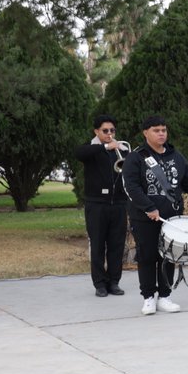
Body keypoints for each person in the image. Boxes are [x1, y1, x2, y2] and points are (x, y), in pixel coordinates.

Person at [121, 116, 188, 315]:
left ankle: (165, 297)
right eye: (156, 130)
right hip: (145, 217)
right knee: (147, 256)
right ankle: (148, 298)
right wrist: (148, 207)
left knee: (168, 256)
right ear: (145, 133)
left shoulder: (176, 156)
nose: (161, 134)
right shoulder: (137, 157)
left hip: (173, 218)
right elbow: (131, 186)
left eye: (164, 130)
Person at [74, 115, 129, 297]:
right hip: (97, 204)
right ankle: (99, 284)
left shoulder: (121, 149)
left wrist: (122, 151)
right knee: (97, 244)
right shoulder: (92, 148)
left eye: (112, 131)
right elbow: (79, 153)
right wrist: (105, 147)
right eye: (105, 131)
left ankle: (114, 282)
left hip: (119, 203)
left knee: (116, 245)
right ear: (96, 131)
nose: (109, 134)